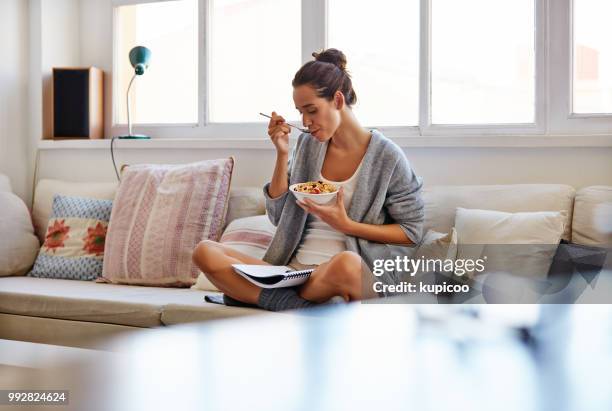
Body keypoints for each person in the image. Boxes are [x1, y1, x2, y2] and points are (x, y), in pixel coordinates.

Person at [193, 48, 424, 311]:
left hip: (346, 272)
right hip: (291, 273)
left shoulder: (387, 157)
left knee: (346, 263)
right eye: (300, 112)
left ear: (337, 100)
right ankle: (297, 305)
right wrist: (281, 153)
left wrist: (347, 225)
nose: (305, 121)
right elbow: (278, 217)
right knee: (205, 251)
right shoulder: (308, 145)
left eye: (311, 110)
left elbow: (411, 232)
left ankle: (259, 297)